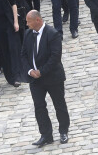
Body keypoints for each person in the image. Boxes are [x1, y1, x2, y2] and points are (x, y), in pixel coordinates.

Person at [21, 10, 70, 146]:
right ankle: (46, 134)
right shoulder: (28, 34)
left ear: (37, 20)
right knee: (39, 106)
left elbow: (55, 57)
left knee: (59, 104)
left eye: (28, 21)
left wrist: (41, 71)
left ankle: (63, 131)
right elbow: (24, 55)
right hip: (35, 79)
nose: (26, 23)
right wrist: (30, 71)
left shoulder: (52, 34)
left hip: (53, 77)